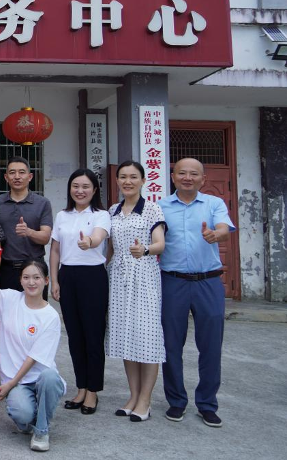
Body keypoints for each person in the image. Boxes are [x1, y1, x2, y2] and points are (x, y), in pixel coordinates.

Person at [158, 158, 236, 428]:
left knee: (211, 345)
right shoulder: (161, 207)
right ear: (173, 176)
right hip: (172, 282)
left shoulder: (214, 204)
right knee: (171, 345)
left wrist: (216, 235)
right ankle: (176, 401)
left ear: (203, 179)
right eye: (182, 173)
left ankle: (207, 404)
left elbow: (224, 229)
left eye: (194, 174)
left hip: (208, 282)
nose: (187, 178)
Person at [105, 161, 167, 422]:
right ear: (117, 180)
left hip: (144, 276)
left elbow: (160, 243)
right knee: (126, 337)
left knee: (147, 337)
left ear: (143, 180)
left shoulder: (152, 208)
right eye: (123, 177)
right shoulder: (113, 210)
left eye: (133, 177)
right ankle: (133, 396)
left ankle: (145, 400)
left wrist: (145, 250)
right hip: (118, 277)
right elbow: (110, 248)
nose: (127, 181)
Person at [49, 168, 111, 415]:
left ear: (94, 190)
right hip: (68, 276)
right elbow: (55, 250)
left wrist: (90, 243)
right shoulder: (62, 215)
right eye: (76, 186)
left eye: (85, 186)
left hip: (93, 277)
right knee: (75, 336)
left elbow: (98, 236)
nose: (80, 191)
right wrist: (54, 280)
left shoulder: (101, 215)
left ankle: (93, 391)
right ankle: (81, 387)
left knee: (93, 336)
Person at [0, 260, 66, 453]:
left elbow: (34, 357)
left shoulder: (50, 316)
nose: (31, 282)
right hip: (18, 383)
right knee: (23, 417)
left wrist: (9, 384)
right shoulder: (8, 299)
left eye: (36, 277)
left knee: (50, 377)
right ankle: (35, 415)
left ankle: (42, 431)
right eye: (26, 277)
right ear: (20, 280)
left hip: (39, 378)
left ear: (46, 280)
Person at [0, 157, 53, 297]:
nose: (17, 176)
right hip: (5, 269)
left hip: (34, 269)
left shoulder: (42, 203)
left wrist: (29, 232)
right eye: (12, 172)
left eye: (22, 172)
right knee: (6, 310)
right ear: (6, 177)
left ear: (30, 177)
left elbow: (45, 237)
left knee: (35, 309)